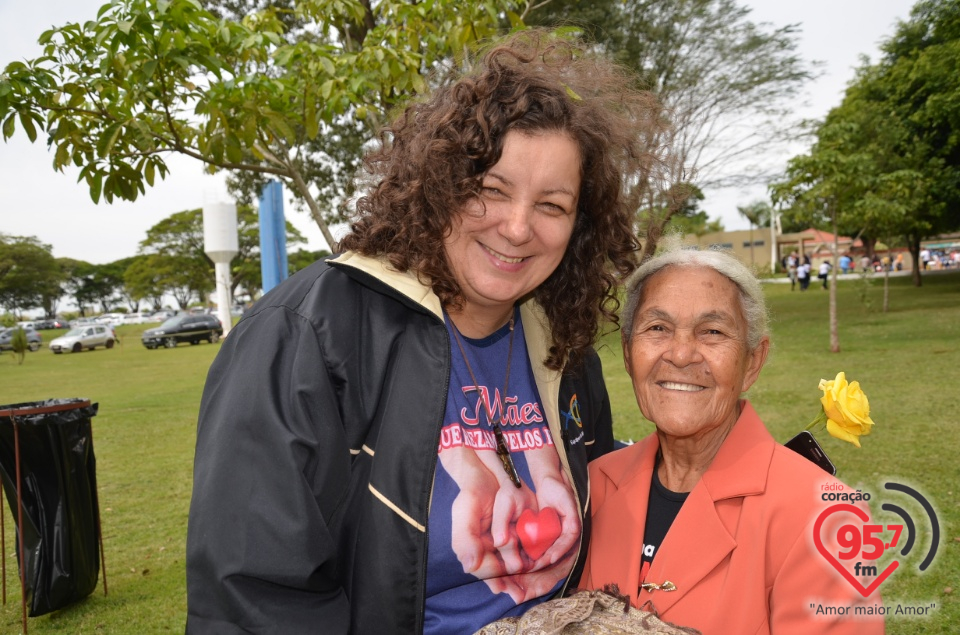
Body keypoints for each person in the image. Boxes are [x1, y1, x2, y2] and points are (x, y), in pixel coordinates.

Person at [186, 30, 668, 634]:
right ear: (438, 184)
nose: (518, 228)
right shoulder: (304, 335)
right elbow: (254, 599)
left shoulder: (560, 344)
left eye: (551, 205)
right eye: (491, 190)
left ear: (580, 225)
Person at [580, 247, 885, 634]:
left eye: (712, 332)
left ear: (752, 362)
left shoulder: (826, 520)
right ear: (627, 352)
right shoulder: (595, 486)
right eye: (657, 328)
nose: (681, 354)